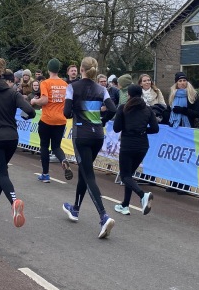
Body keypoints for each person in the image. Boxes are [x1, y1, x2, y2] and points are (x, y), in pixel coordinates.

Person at [62, 57, 118, 239]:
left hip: (81, 135)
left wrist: (77, 110)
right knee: (85, 172)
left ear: (81, 69)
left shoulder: (72, 87)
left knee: (89, 174)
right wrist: (101, 119)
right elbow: (113, 109)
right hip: (97, 135)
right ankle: (76, 208)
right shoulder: (102, 89)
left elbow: (66, 113)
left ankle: (103, 216)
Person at [0, 59, 35, 227]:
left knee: (2, 173)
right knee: (1, 171)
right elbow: (31, 112)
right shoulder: (13, 93)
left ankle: (14, 202)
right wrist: (24, 116)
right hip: (11, 138)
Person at [112, 85, 159, 216]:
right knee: (129, 176)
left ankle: (143, 195)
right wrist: (143, 130)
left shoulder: (123, 108)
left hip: (128, 144)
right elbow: (155, 129)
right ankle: (125, 205)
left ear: (129, 95)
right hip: (143, 145)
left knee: (124, 176)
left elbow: (116, 128)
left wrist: (126, 126)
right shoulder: (148, 109)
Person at [31, 58, 72, 183]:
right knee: (56, 147)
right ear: (59, 69)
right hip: (61, 120)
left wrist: (34, 101)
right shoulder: (65, 85)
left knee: (44, 146)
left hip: (47, 119)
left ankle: (45, 174)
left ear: (48, 69)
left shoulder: (45, 83)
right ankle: (63, 160)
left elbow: (44, 100)